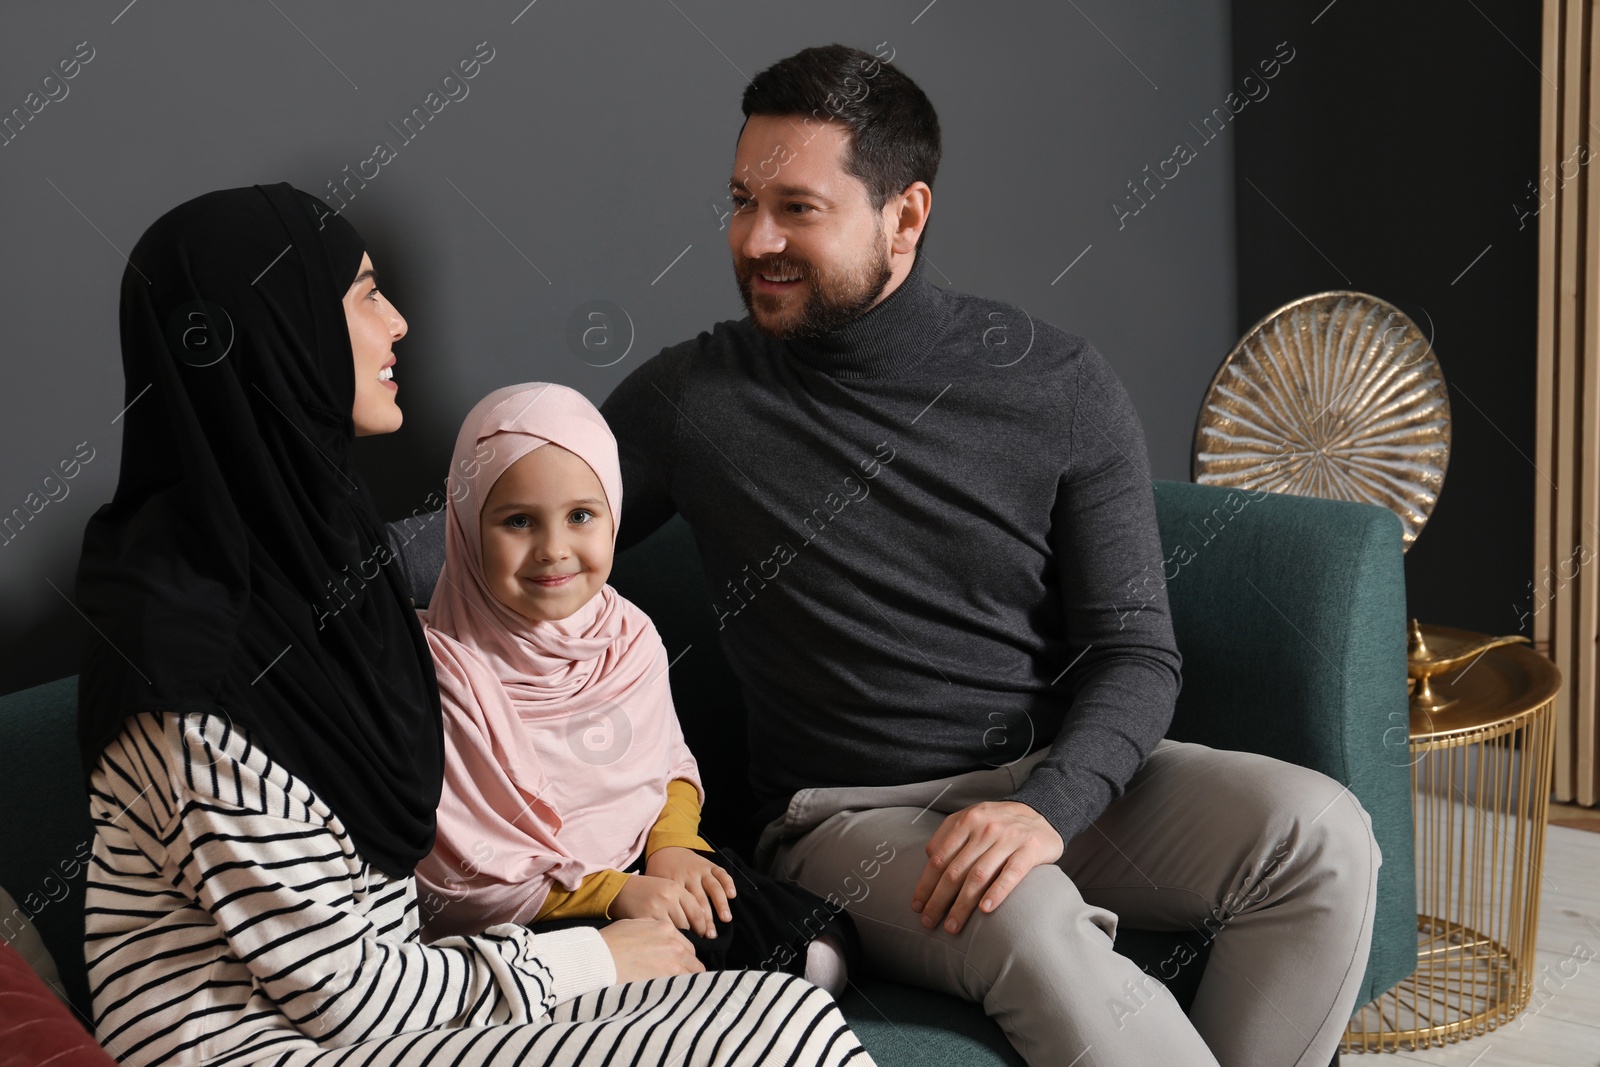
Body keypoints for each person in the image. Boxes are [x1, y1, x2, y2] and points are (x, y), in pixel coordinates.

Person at [598, 44, 1379, 1067]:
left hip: (1041, 774)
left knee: (1320, 832)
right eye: (742, 200)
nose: (755, 239)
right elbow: (494, 528)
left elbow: (1135, 653)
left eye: (798, 207)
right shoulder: (691, 402)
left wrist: (1045, 807)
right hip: (845, 818)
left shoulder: (1054, 384)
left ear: (906, 216)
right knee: (1021, 912)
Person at [73, 182, 875, 1067]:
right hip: (264, 1047)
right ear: (280, 328)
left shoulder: (322, 574)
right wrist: (593, 954)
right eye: (366, 293)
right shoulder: (189, 660)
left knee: (774, 1011)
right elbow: (343, 995)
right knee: (775, 1032)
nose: (400, 322)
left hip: (399, 1011)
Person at [412, 380, 858, 995]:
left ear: (614, 515)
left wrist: (674, 847)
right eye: (518, 521)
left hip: (648, 858)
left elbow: (668, 763)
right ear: (465, 528)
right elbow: (460, 865)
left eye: (580, 517)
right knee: (646, 980)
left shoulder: (626, 636)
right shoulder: (442, 670)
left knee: (815, 944)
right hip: (539, 909)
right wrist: (615, 894)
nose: (554, 550)